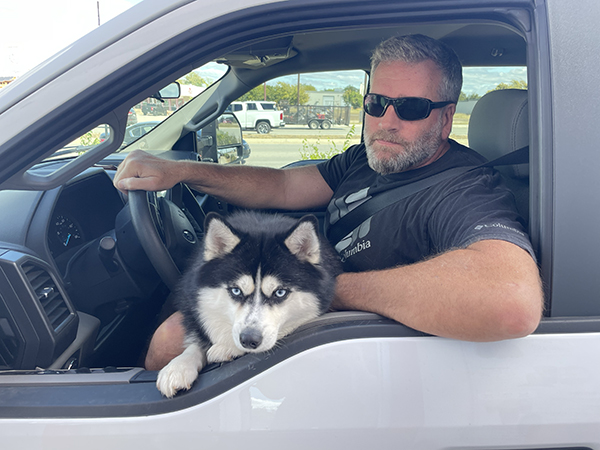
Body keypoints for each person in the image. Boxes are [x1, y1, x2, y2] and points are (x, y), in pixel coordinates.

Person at [114, 34, 543, 371]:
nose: (385, 122)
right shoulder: (369, 159)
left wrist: (320, 290)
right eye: (376, 103)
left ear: (446, 118)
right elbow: (281, 188)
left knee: (171, 340)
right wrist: (184, 172)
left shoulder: (465, 189)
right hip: (299, 308)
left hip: (343, 343)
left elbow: (511, 300)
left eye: (411, 108)